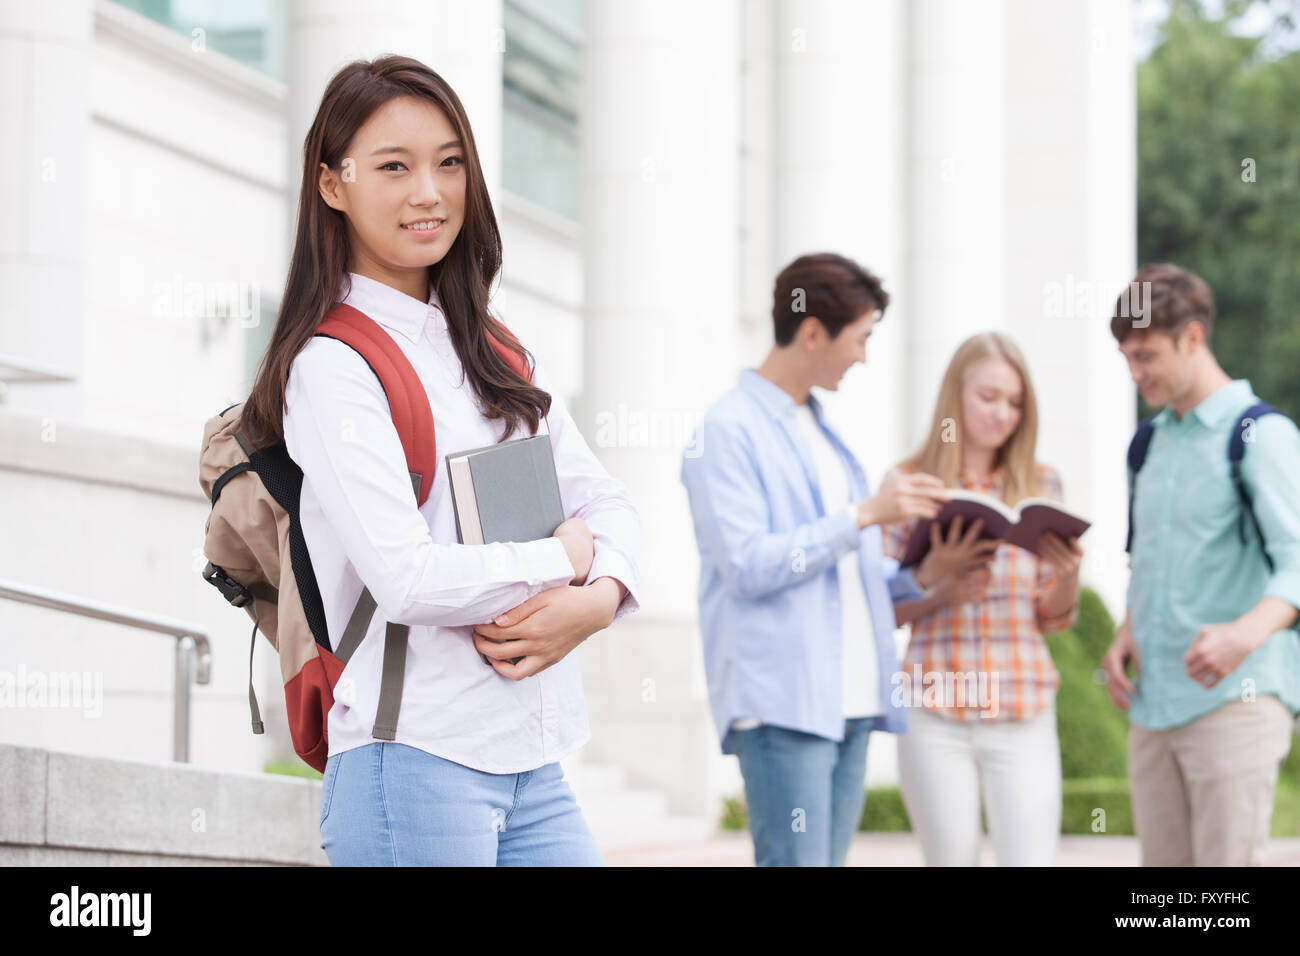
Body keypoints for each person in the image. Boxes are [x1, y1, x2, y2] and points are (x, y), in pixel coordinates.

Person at [238, 55, 642, 866]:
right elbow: (408, 577)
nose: (430, 191)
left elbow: (609, 501)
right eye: (394, 166)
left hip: (535, 761)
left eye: (449, 162)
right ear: (331, 184)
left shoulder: (494, 352)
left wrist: (599, 599)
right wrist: (556, 561)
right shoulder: (333, 366)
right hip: (411, 758)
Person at [680, 252, 953, 866]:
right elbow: (747, 566)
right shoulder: (727, 430)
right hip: (784, 705)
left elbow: (844, 574)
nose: (863, 356)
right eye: (860, 339)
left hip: (850, 701)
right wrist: (862, 515)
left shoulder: (823, 431)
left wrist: (930, 567)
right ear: (812, 332)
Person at [1102, 262, 1300, 866]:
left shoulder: (1261, 436)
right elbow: (1148, 563)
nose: (1135, 375)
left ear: (1192, 338)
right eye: (1126, 359)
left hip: (1235, 705)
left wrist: (1242, 635)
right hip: (1153, 706)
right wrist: (1125, 634)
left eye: (1146, 356)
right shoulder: (1146, 444)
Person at [880, 331, 1083, 866]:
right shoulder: (908, 484)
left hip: (1022, 707)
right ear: (955, 396)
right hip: (934, 709)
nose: (1002, 414)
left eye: (1015, 403)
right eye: (988, 397)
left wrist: (1067, 577)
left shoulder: (1042, 483)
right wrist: (936, 584)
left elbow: (1054, 618)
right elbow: (879, 610)